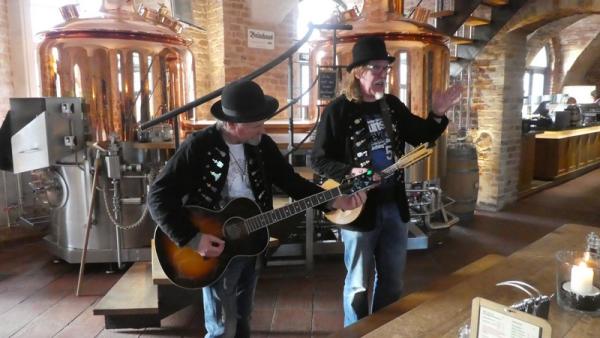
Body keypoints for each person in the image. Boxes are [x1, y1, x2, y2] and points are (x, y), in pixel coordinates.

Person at [147, 80, 365, 338]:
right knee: (221, 329)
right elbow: (158, 196)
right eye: (255, 124)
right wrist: (191, 238)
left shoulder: (262, 145)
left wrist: (332, 200)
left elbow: (291, 182)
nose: (263, 128)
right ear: (230, 123)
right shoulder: (198, 146)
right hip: (213, 247)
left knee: (242, 317)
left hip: (251, 241)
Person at [311, 36, 461, 326]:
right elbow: (318, 159)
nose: (382, 75)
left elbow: (420, 135)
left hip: (394, 206)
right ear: (358, 72)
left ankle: (383, 329)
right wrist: (349, 172)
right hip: (358, 209)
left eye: (385, 69)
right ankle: (355, 332)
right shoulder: (338, 110)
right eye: (376, 69)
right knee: (358, 286)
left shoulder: (391, 105)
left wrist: (437, 114)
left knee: (392, 281)